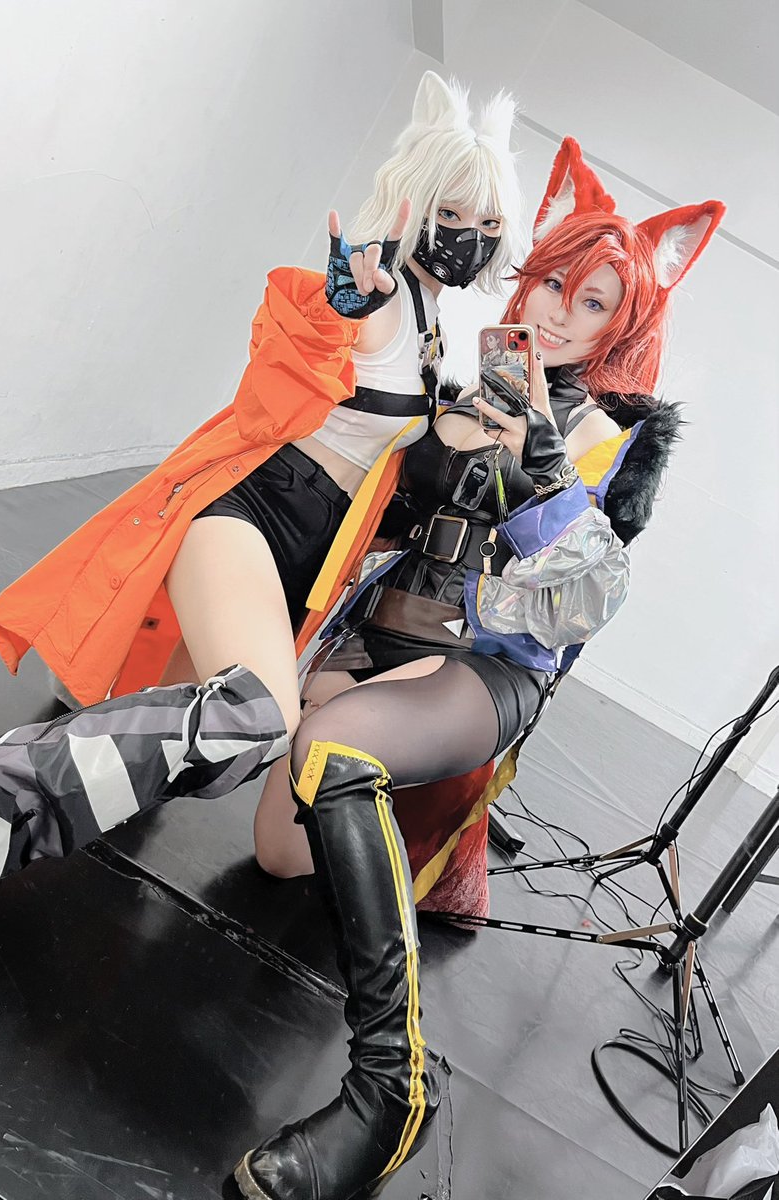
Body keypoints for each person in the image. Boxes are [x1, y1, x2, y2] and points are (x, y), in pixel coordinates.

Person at [0, 72, 521, 1015]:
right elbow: (296, 352)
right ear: (413, 202)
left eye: (485, 219)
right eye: (449, 210)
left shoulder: (448, 328)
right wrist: (338, 307)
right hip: (255, 510)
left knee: (217, 749)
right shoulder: (379, 296)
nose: (465, 232)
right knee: (254, 716)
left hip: (315, 561)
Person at [232, 138, 725, 1200]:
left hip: (481, 664)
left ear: (622, 326)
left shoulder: (611, 439)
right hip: (380, 632)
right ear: (528, 276)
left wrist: (541, 461)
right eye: (553, 284)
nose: (561, 314)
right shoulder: (464, 372)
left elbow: (580, 604)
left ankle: (390, 1089)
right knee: (277, 851)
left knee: (333, 749)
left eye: (593, 303)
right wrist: (354, 323)